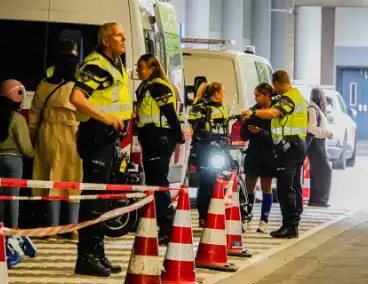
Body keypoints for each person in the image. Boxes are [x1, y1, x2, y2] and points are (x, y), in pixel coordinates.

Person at [70, 22, 132, 277]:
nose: (124, 39)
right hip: (96, 136)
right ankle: (86, 257)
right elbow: (76, 97)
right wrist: (106, 119)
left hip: (109, 139)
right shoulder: (96, 64)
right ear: (106, 40)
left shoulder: (115, 64)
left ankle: (97, 253)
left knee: (102, 199)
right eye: (119, 35)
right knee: (94, 200)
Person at [242, 70, 308, 239]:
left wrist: (254, 113)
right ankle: (291, 224)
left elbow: (274, 113)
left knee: (286, 187)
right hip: (293, 145)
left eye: (275, 86)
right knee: (292, 185)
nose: (274, 90)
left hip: (290, 146)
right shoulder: (295, 96)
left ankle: (290, 225)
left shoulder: (289, 98)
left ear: (277, 83)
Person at [29, 52, 82, 239]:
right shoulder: (78, 87)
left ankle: (52, 227)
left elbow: (34, 117)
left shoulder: (43, 86)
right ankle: (73, 227)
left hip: (47, 134)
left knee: (51, 179)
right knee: (73, 180)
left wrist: (33, 139)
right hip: (73, 135)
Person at [135, 53, 185, 245]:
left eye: (141, 67)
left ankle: (168, 225)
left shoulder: (159, 87)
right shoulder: (145, 87)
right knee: (153, 183)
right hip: (150, 137)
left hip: (160, 138)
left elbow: (170, 114)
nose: (138, 70)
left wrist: (179, 135)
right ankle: (162, 223)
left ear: (152, 68)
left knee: (158, 182)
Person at [188, 81, 229, 227]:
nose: (224, 96)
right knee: (206, 183)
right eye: (223, 93)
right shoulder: (200, 107)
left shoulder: (220, 108)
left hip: (219, 149)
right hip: (204, 150)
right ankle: (203, 216)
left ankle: (216, 214)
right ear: (216, 94)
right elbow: (198, 128)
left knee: (220, 181)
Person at [240, 82, 276, 233]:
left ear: (267, 95)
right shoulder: (253, 111)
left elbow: (274, 136)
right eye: (255, 95)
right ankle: (247, 217)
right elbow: (243, 135)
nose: (256, 99)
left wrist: (260, 132)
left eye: (258, 95)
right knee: (249, 184)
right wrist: (246, 125)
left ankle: (264, 221)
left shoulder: (276, 111)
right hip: (254, 152)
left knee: (267, 185)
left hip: (269, 152)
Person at [0, 80, 34, 229]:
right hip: (14, 160)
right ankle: (14, 226)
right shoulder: (17, 118)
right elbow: (25, 146)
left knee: (0, 195)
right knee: (14, 195)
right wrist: (33, 155)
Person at [307, 88, 333, 207]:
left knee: (318, 171)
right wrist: (326, 133)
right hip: (317, 143)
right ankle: (319, 199)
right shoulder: (313, 110)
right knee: (325, 171)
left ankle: (315, 199)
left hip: (318, 144)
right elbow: (311, 128)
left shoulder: (314, 109)